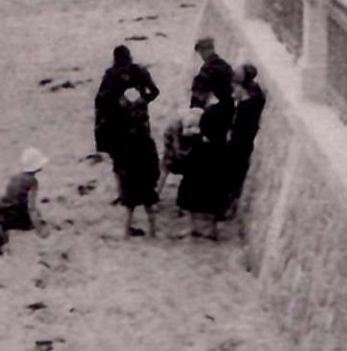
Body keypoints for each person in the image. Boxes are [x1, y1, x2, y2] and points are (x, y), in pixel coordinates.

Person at [175, 103, 233, 240]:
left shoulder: (200, 141)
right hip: (214, 173)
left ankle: (192, 227)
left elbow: (190, 157)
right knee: (213, 199)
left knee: (187, 197)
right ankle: (212, 230)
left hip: (196, 172)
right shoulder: (221, 142)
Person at [94, 45, 160, 159]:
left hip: (137, 118)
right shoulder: (111, 75)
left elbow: (154, 91)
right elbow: (101, 100)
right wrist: (117, 100)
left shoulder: (139, 72)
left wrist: (142, 100)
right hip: (119, 120)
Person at [111, 87, 161, 237]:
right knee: (149, 206)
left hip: (130, 175)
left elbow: (119, 158)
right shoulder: (147, 138)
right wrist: (154, 176)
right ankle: (153, 233)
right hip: (145, 175)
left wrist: (120, 173)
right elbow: (154, 159)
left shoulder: (123, 135)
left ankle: (126, 232)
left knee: (130, 208)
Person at [225, 64, 267, 219]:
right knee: (236, 172)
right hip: (244, 138)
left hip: (240, 140)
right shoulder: (255, 93)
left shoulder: (246, 99)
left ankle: (230, 205)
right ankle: (231, 203)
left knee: (233, 172)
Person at [0, 147, 50, 234]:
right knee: (37, 217)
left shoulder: (15, 177)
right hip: (14, 217)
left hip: (0, 212)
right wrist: (40, 230)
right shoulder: (32, 182)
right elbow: (31, 208)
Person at [190, 36, 235, 107]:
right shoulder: (224, 65)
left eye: (201, 52)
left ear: (208, 50)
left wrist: (195, 107)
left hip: (215, 110)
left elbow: (200, 92)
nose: (201, 55)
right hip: (228, 107)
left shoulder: (209, 68)